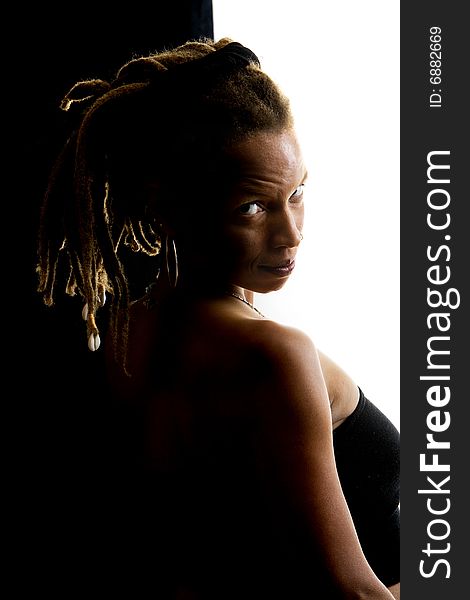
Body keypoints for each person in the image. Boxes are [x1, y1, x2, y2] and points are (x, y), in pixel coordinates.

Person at [36, 37, 400, 599]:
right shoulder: (272, 354)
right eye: (250, 207)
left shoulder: (126, 332)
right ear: (167, 207)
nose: (291, 234)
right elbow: (349, 593)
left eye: (296, 192)